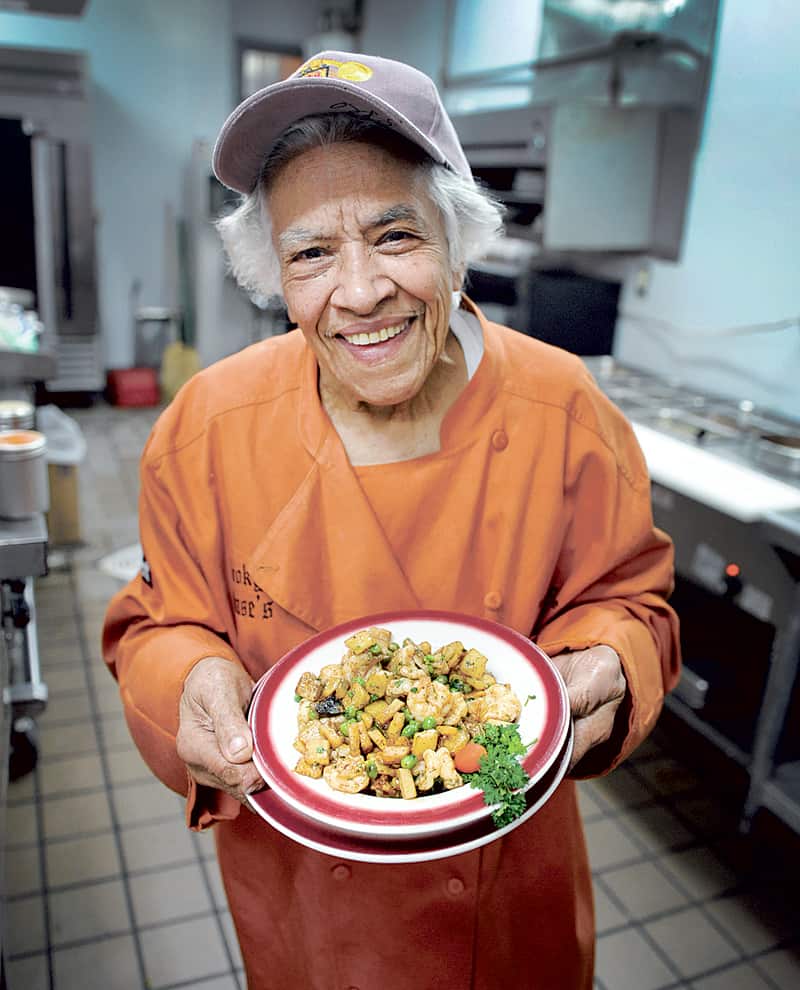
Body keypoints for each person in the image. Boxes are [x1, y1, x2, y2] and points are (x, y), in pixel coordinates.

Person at [102, 50, 680, 990]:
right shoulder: (208, 425)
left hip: (505, 829)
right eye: (313, 254)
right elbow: (159, 623)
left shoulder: (562, 405)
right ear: (274, 277)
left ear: (456, 240)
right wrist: (194, 678)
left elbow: (630, 599)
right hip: (309, 896)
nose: (362, 291)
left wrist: (610, 660)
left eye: (396, 234)